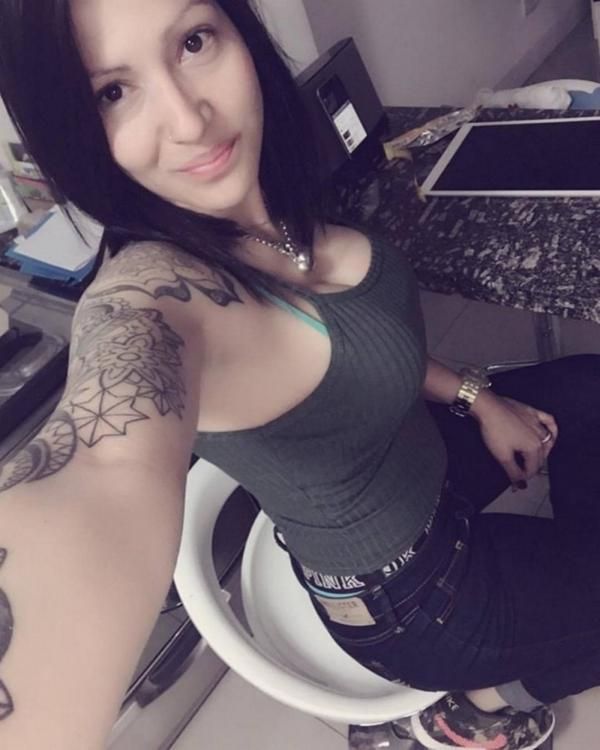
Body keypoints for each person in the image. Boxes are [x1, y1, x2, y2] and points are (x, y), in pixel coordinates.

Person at [0, 1, 599, 748]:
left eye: (193, 41)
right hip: (413, 601)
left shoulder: (267, 203)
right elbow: (99, 467)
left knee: (591, 389)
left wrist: (477, 396)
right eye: (112, 91)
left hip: (422, 465)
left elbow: (358, 343)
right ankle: (476, 705)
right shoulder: (156, 296)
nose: (188, 120)